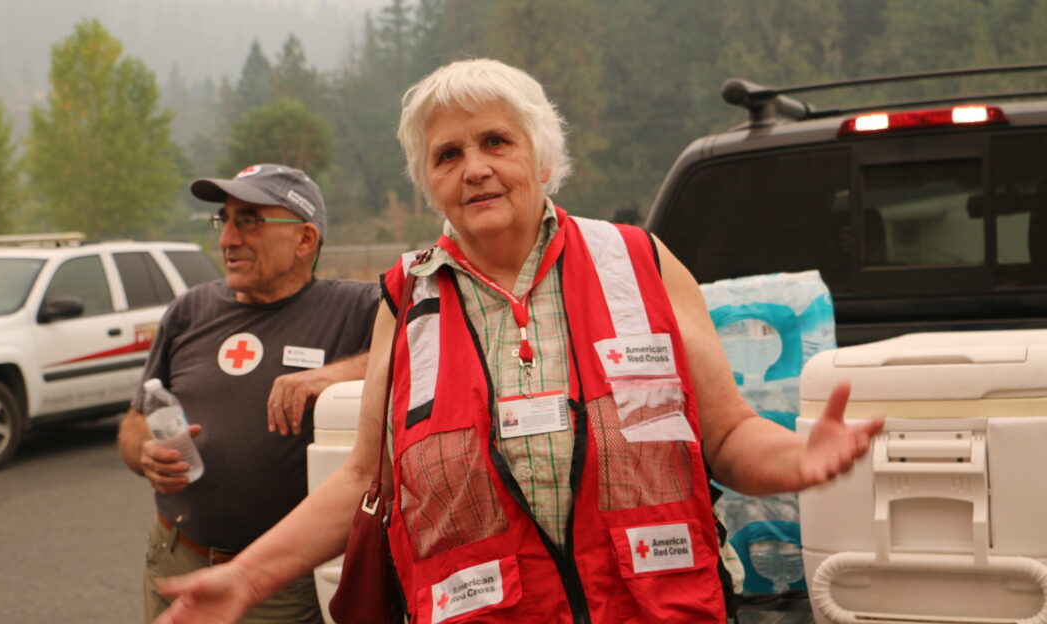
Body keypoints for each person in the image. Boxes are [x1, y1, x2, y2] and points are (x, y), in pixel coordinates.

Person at [151, 60, 884, 623]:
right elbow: (361, 483)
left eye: (495, 141)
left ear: (541, 157)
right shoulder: (407, 300)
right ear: (428, 183)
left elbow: (725, 435)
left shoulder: (639, 262)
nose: (474, 167)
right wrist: (248, 577)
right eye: (447, 155)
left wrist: (796, 459)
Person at [117, 163, 380, 624]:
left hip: (281, 579)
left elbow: (428, 340)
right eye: (225, 220)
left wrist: (331, 376)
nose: (227, 239)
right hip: (178, 560)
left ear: (305, 240)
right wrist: (144, 452)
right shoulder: (190, 310)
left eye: (250, 220)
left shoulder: (355, 308)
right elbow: (136, 417)